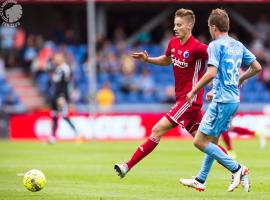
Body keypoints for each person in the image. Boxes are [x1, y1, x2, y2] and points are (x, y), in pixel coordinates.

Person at [114, 8, 211, 178]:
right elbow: (167, 59)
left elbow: (216, 64)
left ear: (190, 25)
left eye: (179, 25)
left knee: (157, 129)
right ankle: (238, 169)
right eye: (175, 24)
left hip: (190, 99)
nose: (175, 28)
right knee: (204, 142)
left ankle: (127, 166)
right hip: (182, 98)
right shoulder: (173, 43)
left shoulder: (199, 48)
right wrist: (148, 59)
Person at [180, 8, 262, 192]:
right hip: (231, 99)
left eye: (209, 27)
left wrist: (194, 90)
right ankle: (201, 179)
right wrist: (238, 80)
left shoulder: (215, 45)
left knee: (199, 141)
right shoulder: (237, 45)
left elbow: (211, 72)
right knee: (212, 140)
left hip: (223, 101)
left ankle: (237, 168)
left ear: (213, 27)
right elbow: (257, 67)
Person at [47, 53, 81, 143]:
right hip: (54, 95)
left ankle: (77, 133)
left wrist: (62, 96)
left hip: (61, 96)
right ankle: (53, 137)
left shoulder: (65, 68)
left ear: (62, 58)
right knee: (54, 116)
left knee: (64, 116)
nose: (55, 59)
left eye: (57, 58)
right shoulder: (57, 69)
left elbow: (63, 82)